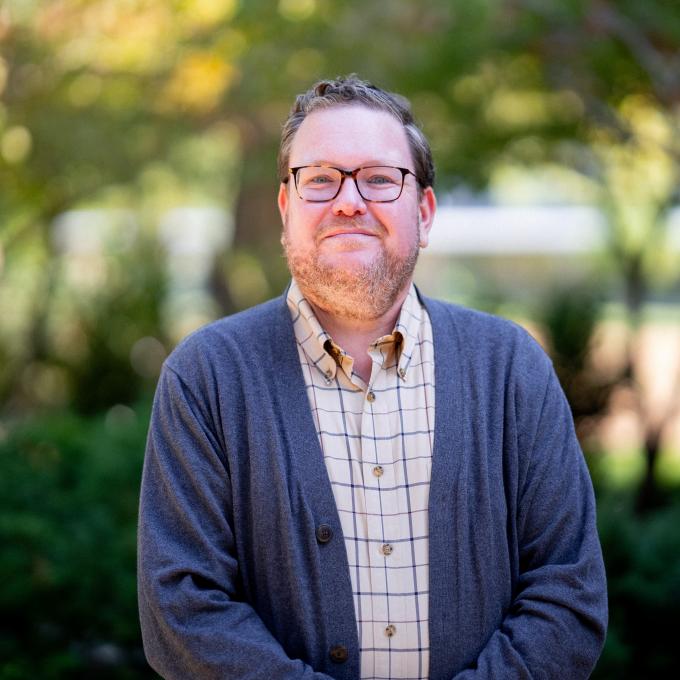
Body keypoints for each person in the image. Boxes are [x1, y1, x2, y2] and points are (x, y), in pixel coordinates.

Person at [137, 75, 608, 680]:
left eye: (381, 179)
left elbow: (568, 595)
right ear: (286, 210)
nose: (348, 201)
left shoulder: (511, 368)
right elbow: (183, 612)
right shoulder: (206, 378)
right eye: (320, 180)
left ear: (425, 211)